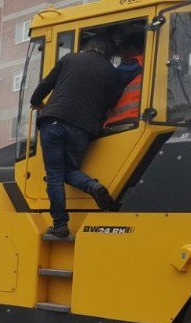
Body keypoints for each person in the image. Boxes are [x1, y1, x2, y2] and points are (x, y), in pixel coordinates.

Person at [31, 36, 124, 238]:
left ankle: (60, 224)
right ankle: (93, 186)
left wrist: (36, 101)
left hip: (54, 121)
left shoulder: (70, 59)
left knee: (55, 174)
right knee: (68, 170)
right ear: (109, 54)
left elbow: (46, 84)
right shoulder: (113, 74)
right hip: (83, 128)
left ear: (88, 48)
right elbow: (110, 103)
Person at [104, 35, 145, 127]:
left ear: (131, 49)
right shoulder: (152, 63)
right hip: (143, 117)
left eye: (123, 53)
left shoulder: (132, 64)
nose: (123, 57)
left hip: (124, 120)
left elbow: (108, 85)